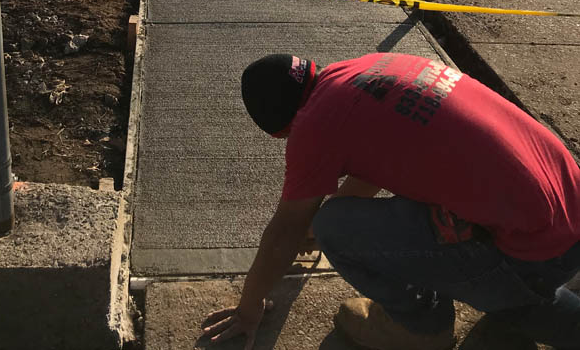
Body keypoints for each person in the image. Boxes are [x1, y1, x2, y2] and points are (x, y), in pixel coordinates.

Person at [201, 52, 580, 350]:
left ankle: (422, 327)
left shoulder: (313, 124)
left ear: (282, 130)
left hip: (537, 247)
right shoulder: (365, 71)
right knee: (335, 221)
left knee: (334, 227)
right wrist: (308, 227)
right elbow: (372, 168)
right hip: (568, 199)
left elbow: (284, 232)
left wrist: (248, 308)